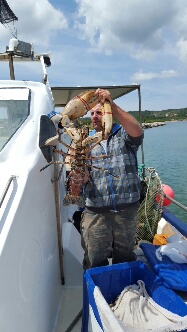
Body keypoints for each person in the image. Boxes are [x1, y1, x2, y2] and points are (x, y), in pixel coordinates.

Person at [81, 88, 144, 270]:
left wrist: (112, 104)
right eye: (91, 113)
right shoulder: (85, 143)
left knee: (124, 257)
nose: (94, 116)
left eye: (99, 113)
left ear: (108, 113)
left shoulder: (124, 136)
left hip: (127, 210)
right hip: (96, 210)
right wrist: (79, 174)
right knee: (94, 257)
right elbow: (85, 177)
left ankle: (123, 291)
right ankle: (98, 293)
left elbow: (137, 131)